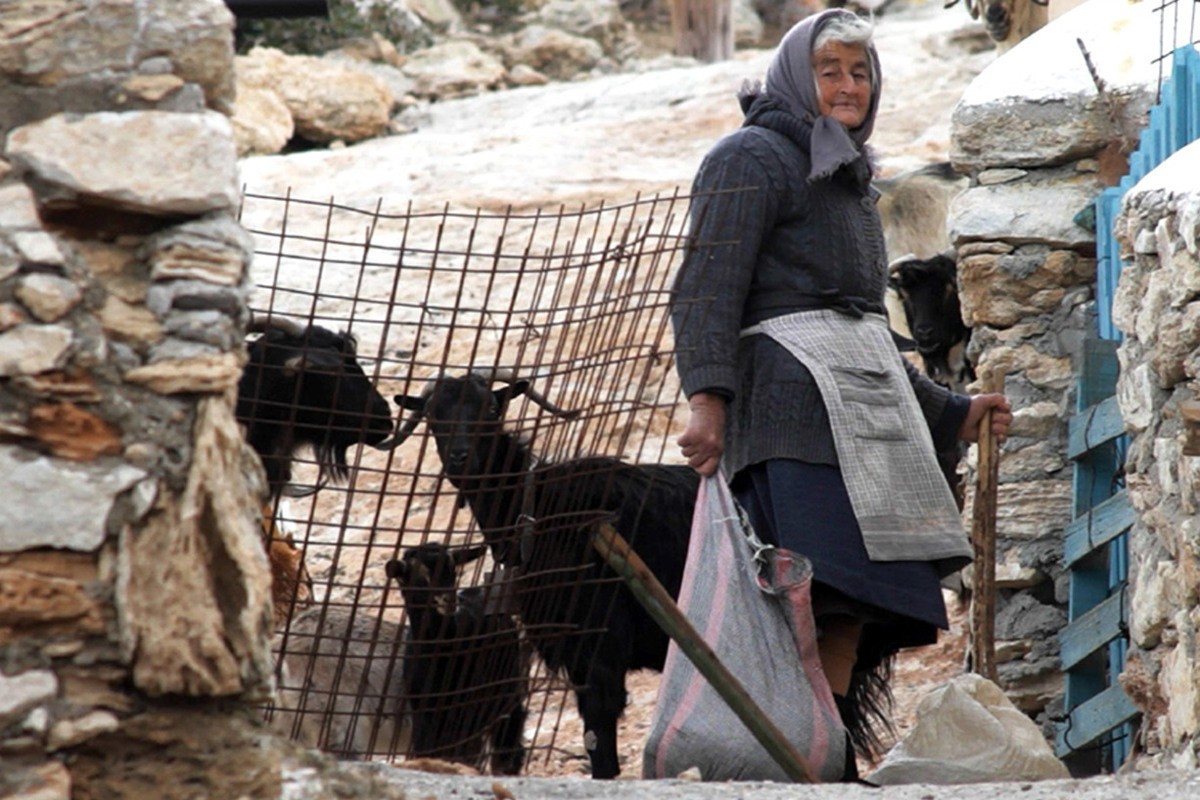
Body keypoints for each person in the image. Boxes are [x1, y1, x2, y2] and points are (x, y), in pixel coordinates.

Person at [669, 7, 1013, 780]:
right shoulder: (750, 158)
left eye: (860, 72)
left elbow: (864, 333)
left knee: (860, 599)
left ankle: (820, 763)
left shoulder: (852, 177)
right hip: (790, 418)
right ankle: (788, 753)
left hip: (860, 420)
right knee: (810, 597)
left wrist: (952, 414)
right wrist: (707, 401)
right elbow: (705, 290)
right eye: (831, 71)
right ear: (798, 77)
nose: (848, 86)